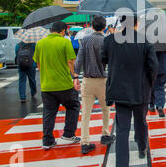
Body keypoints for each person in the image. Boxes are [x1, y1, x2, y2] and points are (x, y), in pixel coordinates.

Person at [102, 15, 158, 167]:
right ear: (136, 24)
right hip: (140, 91)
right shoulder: (145, 41)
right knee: (141, 122)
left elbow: (103, 59)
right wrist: (149, 83)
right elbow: (153, 67)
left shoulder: (110, 40)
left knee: (122, 129)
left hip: (119, 91)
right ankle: (142, 147)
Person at [33, 21, 81, 150]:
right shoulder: (65, 42)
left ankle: (47, 140)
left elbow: (38, 64)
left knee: (49, 112)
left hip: (46, 85)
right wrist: (75, 76)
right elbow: (71, 61)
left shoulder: (40, 43)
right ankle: (68, 134)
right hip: (64, 84)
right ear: (63, 31)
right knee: (73, 106)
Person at [74, 16, 116, 155]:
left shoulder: (85, 40)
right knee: (106, 109)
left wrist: (75, 77)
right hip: (103, 80)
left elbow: (79, 60)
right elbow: (112, 61)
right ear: (104, 27)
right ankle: (105, 134)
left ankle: (85, 142)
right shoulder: (106, 41)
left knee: (86, 112)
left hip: (87, 80)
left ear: (92, 26)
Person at [149, 51, 166, 117]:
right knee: (160, 87)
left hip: (151, 68)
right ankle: (160, 105)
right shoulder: (163, 42)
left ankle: (152, 105)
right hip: (162, 67)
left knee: (151, 87)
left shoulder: (148, 42)